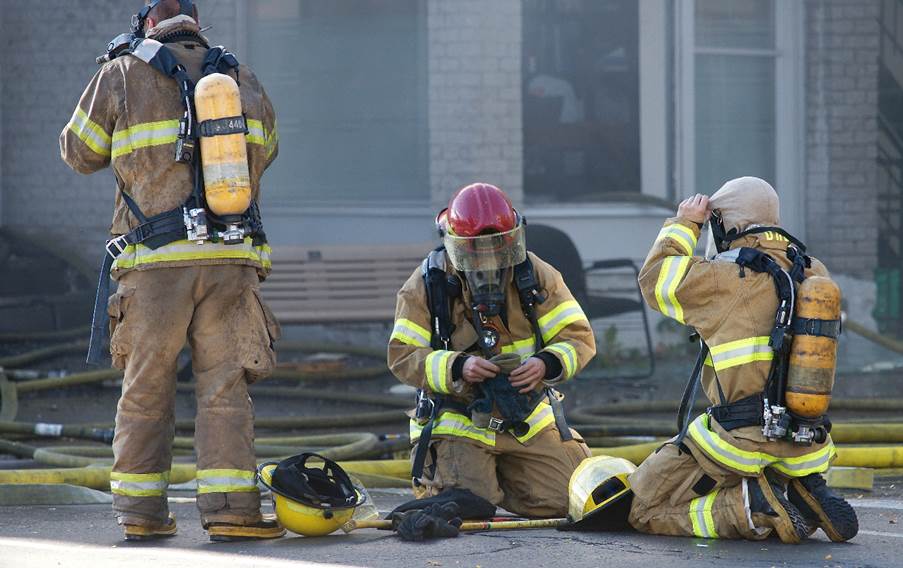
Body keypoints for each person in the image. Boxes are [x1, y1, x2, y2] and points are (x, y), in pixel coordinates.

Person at [60, 0, 283, 541]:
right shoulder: (240, 76)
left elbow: (78, 153)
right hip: (231, 258)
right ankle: (232, 511)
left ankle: (142, 513)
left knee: (146, 387)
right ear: (197, 27)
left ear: (147, 25)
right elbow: (268, 150)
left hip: (155, 263)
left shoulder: (121, 72)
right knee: (225, 389)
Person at [628, 177, 857, 543]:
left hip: (739, 441)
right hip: (806, 443)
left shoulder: (725, 278)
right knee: (775, 472)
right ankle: (804, 490)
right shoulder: (814, 271)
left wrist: (685, 223)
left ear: (727, 225)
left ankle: (747, 507)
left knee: (643, 506)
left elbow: (654, 279)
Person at [388, 182, 595, 518]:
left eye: (499, 247)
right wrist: (457, 367)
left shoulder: (535, 276)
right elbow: (402, 355)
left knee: (572, 500)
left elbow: (578, 337)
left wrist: (546, 363)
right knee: (467, 506)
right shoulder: (427, 284)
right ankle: (467, 479)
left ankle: (504, 476)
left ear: (513, 239)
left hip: (525, 416)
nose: (487, 260)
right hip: (460, 419)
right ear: (453, 244)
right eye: (473, 251)